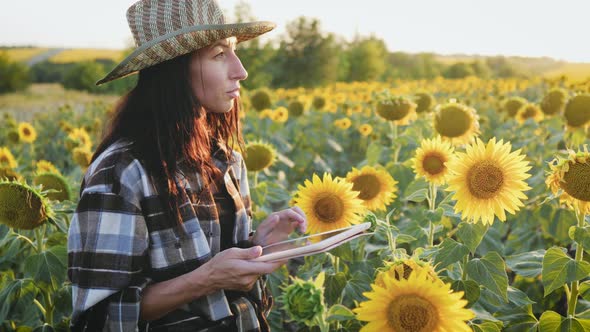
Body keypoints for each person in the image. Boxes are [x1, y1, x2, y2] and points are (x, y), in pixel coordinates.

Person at [67, 0, 307, 331]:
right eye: (219, 55)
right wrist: (205, 279)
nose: (241, 70)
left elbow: (218, 268)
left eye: (234, 51)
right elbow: (100, 318)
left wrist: (257, 246)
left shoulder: (226, 159)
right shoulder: (122, 172)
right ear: (175, 71)